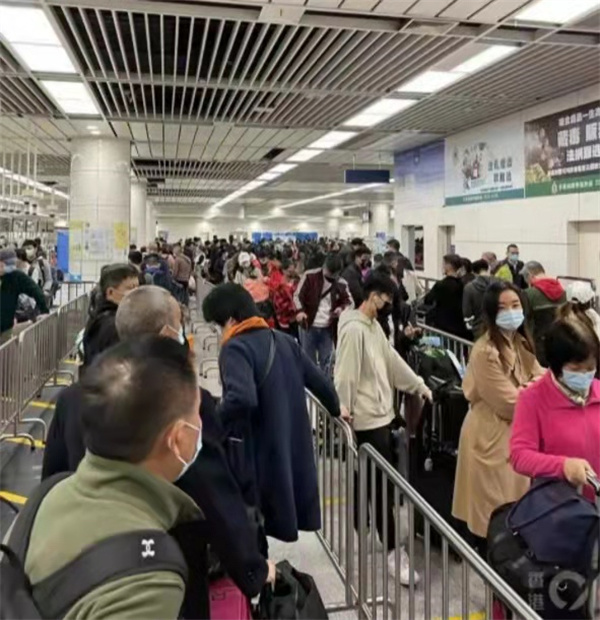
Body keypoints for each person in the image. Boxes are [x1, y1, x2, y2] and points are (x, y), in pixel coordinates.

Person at [42, 286, 275, 608]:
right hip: (167, 559)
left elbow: (53, 477)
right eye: (180, 325)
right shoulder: (185, 402)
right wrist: (251, 568)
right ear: (168, 333)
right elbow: (214, 492)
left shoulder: (72, 398)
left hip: (87, 562)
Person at [17, 338, 204, 618]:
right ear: (177, 438)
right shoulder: (146, 585)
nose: (201, 423)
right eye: (197, 411)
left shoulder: (47, 498)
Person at [202, 283, 342, 547]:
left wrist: (212, 422)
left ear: (230, 319)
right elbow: (322, 385)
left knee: (252, 529)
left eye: (218, 325)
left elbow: (241, 397)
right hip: (289, 452)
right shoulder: (285, 341)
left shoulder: (235, 348)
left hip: (256, 454)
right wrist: (337, 409)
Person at [335, 272, 432, 584]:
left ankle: (362, 524)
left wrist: (417, 385)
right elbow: (345, 375)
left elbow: (391, 361)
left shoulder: (373, 326)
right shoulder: (354, 330)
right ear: (373, 295)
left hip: (381, 416)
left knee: (371, 481)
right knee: (381, 489)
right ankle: (393, 552)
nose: (389, 304)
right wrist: (344, 411)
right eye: (386, 298)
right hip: (365, 421)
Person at [452, 281, 544, 554]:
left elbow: (542, 377)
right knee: (492, 520)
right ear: (492, 313)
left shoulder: (519, 343)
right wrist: (532, 390)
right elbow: (509, 403)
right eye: (503, 308)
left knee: (512, 517)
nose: (511, 312)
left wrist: (529, 389)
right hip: (489, 440)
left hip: (514, 438)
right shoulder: (485, 351)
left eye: (515, 305)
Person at [511, 318, 599, 502]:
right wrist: (563, 466)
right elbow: (520, 456)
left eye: (590, 368)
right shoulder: (532, 399)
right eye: (576, 369)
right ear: (556, 366)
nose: (585, 374)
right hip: (560, 506)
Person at [294, 253, 353, 372]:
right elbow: (297, 296)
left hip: (328, 328)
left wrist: (341, 309)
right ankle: (309, 382)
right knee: (308, 361)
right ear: (324, 266)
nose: (329, 274)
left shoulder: (341, 283)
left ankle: (324, 382)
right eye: (327, 271)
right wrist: (300, 311)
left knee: (326, 362)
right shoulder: (309, 276)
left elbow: (350, 303)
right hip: (308, 325)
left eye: (333, 274)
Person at [81, 263, 139, 369]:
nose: (136, 293)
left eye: (138, 288)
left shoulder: (100, 316)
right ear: (110, 292)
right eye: (130, 288)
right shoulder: (113, 325)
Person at [521, 260, 566, 365]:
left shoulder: (528, 294)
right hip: (561, 342)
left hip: (539, 346)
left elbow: (525, 322)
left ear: (530, 276)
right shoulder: (564, 293)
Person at [0, 248, 49, 335]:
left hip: (5, 328)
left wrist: (44, 311)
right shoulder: (16, 276)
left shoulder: (16, 276)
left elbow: (36, 291)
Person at [423, 254, 468, 338]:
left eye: (443, 264)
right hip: (458, 326)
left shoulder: (441, 285)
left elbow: (428, 299)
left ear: (448, 266)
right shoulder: (462, 284)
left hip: (443, 326)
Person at [462, 259, 492, 338]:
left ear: (474, 272)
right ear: (488, 268)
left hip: (478, 326)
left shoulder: (469, 287)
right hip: (496, 325)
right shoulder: (499, 284)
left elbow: (467, 311)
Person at [22, 239, 54, 304]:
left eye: (29, 248)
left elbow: (49, 279)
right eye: (25, 249)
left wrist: (45, 290)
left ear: (35, 249)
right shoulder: (21, 263)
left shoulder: (42, 263)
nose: (27, 251)